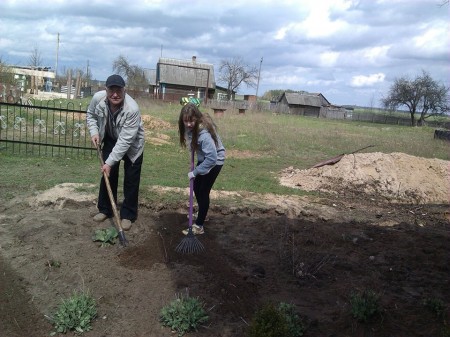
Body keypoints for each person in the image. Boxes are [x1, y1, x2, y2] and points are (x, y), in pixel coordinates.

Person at [86, 74, 145, 231]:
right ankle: (105, 209)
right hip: (111, 138)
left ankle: (128, 215)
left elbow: (125, 141)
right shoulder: (98, 99)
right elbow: (90, 115)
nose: (115, 94)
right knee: (108, 175)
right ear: (106, 90)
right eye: (112, 90)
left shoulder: (132, 109)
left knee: (131, 180)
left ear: (124, 90)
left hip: (132, 144)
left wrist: (109, 162)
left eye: (118, 90)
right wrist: (94, 132)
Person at [178, 101, 225, 235]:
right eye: (185, 121)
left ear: (197, 119)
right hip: (204, 159)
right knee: (197, 189)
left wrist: (196, 171)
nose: (188, 124)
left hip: (214, 161)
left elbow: (212, 158)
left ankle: (199, 226)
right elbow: (192, 142)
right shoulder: (189, 127)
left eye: (191, 121)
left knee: (203, 191)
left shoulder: (204, 135)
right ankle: (202, 213)